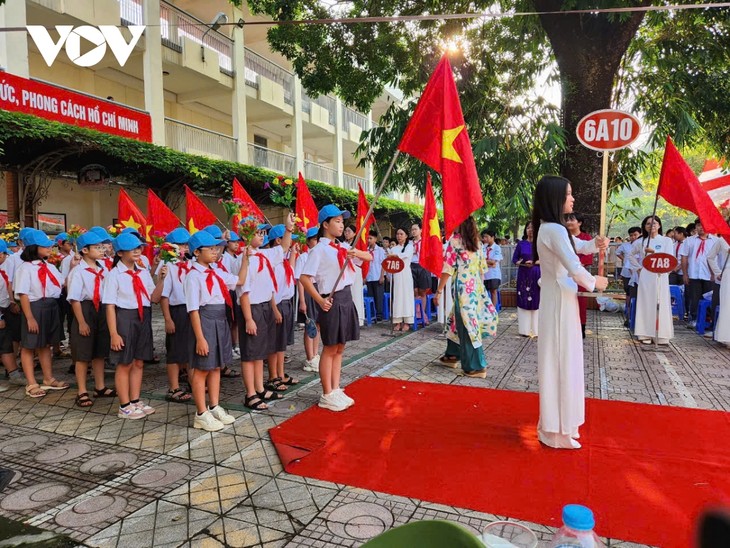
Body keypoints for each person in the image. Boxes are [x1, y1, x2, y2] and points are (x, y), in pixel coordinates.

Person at [532, 175, 608, 449]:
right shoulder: (552, 229)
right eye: (568, 194)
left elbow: (576, 250)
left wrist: (594, 244)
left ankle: (562, 425)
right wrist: (594, 282)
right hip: (559, 303)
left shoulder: (552, 229)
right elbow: (574, 266)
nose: (572, 199)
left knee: (566, 359)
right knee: (560, 361)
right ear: (555, 198)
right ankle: (555, 430)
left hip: (561, 299)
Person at [299, 204, 372, 411]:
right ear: (325, 224)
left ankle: (336, 387)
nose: (341, 225)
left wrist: (355, 251)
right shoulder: (319, 250)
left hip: (346, 298)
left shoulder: (342, 247)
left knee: (340, 347)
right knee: (330, 347)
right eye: (337, 221)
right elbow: (305, 278)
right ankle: (326, 393)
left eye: (342, 221)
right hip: (330, 300)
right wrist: (320, 301)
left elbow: (368, 257)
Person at [185, 230, 248, 431]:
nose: (215, 252)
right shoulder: (193, 276)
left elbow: (239, 280)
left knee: (216, 366)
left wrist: (246, 258)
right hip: (204, 321)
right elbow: (193, 310)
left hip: (220, 320)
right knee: (202, 367)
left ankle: (214, 405)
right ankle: (201, 413)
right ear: (196, 252)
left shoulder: (216, 271)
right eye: (210, 249)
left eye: (216, 248)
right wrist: (200, 338)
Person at [102, 232, 166, 419]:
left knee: (138, 361)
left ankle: (135, 399)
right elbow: (110, 306)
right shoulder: (114, 275)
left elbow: (153, 298)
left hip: (142, 317)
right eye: (132, 248)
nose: (137, 251)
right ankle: (124, 405)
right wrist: (114, 333)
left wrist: (162, 280)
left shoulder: (143, 271)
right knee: (124, 363)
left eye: (139, 247)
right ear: (120, 253)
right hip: (124, 318)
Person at [237, 215, 294, 410]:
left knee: (260, 352)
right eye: (258, 233)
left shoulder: (263, 254)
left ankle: (260, 388)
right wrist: (248, 319)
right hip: (251, 309)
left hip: (264, 307)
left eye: (263, 233)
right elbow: (243, 292)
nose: (262, 236)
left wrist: (288, 229)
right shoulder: (244, 259)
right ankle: (250, 393)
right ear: (246, 235)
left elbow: (284, 248)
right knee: (250, 353)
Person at [434, 217, 498, 378]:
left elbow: (447, 269)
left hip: (462, 288)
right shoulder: (478, 243)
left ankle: (476, 366)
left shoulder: (455, 241)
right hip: (475, 288)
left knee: (467, 325)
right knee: (456, 321)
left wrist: (439, 290)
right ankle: (452, 355)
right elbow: (482, 269)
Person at [15, 229, 74, 398]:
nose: (50, 248)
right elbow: (23, 294)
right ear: (33, 248)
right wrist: (30, 317)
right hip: (34, 307)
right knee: (29, 345)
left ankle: (48, 379)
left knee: (46, 344)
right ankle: (31, 382)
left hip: (50, 306)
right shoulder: (25, 269)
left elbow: (62, 283)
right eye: (45, 246)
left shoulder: (48, 266)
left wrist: (73, 267)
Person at [67, 231, 115, 407]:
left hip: (101, 309)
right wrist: (81, 322)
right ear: (85, 250)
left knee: (100, 352)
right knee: (83, 354)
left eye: (103, 247)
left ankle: (100, 387)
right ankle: (81, 391)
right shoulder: (78, 272)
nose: (102, 250)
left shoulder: (103, 269)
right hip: (85, 310)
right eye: (97, 247)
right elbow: (75, 299)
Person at [159, 227, 193, 404]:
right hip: (176, 311)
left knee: (189, 348)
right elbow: (164, 295)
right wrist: (168, 318)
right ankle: (173, 387)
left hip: (190, 310)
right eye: (180, 245)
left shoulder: (190, 264)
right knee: (174, 351)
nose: (184, 249)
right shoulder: (168, 266)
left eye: (186, 245)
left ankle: (191, 380)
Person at [629, 215, 674, 345]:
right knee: (646, 302)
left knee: (661, 302)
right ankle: (645, 333)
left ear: (659, 225)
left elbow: (669, 259)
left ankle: (661, 334)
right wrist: (638, 268)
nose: (651, 225)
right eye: (648, 223)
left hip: (661, 276)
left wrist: (653, 253)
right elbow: (630, 255)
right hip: (646, 275)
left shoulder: (666, 241)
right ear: (644, 226)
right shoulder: (641, 241)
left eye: (654, 223)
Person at [266, 224, 299, 392]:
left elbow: (291, 274)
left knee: (282, 344)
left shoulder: (284, 263)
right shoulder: (272, 263)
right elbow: (270, 288)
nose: (291, 244)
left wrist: (293, 254)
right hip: (276, 305)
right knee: (274, 344)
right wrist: (275, 309)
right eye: (289, 241)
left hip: (286, 304)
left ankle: (280, 373)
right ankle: (273, 376)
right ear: (278, 241)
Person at [681, 218, 718, 327]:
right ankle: (694, 319)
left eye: (704, 224)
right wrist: (685, 274)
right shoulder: (689, 240)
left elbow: (719, 258)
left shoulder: (716, 240)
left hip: (710, 275)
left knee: (710, 298)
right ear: (695, 227)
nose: (701, 227)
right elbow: (684, 258)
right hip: (694, 274)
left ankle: (710, 320)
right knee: (694, 298)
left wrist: (715, 273)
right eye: (698, 225)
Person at [295, 227, 321, 372]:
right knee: (309, 324)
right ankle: (309, 358)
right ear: (308, 241)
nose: (317, 242)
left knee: (318, 324)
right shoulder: (303, 257)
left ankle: (316, 354)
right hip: (308, 291)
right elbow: (300, 280)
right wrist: (302, 301)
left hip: (318, 290)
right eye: (315, 239)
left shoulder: (319, 255)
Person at [565, 213, 593, 339]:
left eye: (572, 220)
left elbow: (588, 255)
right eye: (567, 220)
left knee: (580, 301)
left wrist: (576, 266)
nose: (569, 222)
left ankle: (581, 328)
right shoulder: (563, 236)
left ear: (579, 223)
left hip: (579, 274)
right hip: (564, 274)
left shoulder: (586, 237)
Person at [512, 222, 540, 337]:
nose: (530, 230)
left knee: (537, 300)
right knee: (523, 299)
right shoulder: (521, 244)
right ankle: (524, 330)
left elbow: (546, 260)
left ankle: (537, 330)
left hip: (537, 274)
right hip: (524, 275)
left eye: (532, 228)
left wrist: (533, 262)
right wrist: (523, 263)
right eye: (528, 227)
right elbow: (514, 260)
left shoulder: (540, 244)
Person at [388, 227, 415, 332]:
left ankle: (407, 322)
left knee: (406, 298)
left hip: (406, 274)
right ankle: (397, 321)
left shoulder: (409, 246)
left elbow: (405, 256)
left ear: (406, 236)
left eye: (401, 234)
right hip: (397, 275)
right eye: (398, 234)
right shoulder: (393, 249)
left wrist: (394, 255)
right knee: (397, 298)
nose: (399, 236)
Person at [707, 232, 730, 345]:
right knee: (727, 304)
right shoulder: (722, 240)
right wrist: (718, 272)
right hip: (728, 274)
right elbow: (710, 257)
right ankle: (726, 336)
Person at [343, 224, 365, 327]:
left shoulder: (358, 244)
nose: (346, 233)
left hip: (355, 268)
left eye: (349, 231)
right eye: (345, 231)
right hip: (346, 269)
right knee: (348, 294)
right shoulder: (342, 244)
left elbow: (363, 257)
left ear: (354, 233)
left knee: (356, 293)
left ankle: (358, 318)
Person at [410, 223, 432, 325]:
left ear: (421, 230)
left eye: (415, 229)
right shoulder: (409, 243)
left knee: (422, 291)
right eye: (412, 229)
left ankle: (422, 314)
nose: (413, 231)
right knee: (414, 291)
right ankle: (417, 313)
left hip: (423, 266)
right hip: (412, 266)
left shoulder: (425, 242)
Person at [365, 229, 386, 322]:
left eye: (370, 238)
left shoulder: (380, 250)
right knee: (371, 296)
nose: (369, 240)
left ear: (375, 239)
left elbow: (383, 264)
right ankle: (372, 313)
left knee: (378, 296)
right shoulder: (365, 251)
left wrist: (382, 276)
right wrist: (364, 276)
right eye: (367, 238)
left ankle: (379, 314)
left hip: (377, 276)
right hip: (369, 277)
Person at [481, 229, 503, 308]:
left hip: (494, 274)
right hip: (484, 274)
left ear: (492, 237)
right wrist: (488, 262)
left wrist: (485, 262)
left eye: (486, 237)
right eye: (484, 237)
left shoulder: (497, 248)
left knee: (493, 291)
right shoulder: (483, 247)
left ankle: (493, 311)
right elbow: (480, 260)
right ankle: (486, 310)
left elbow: (493, 262)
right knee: (484, 292)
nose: (484, 239)